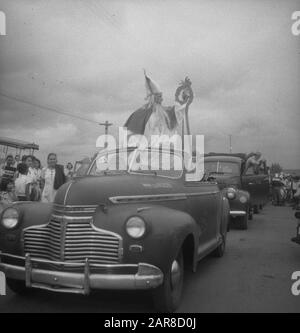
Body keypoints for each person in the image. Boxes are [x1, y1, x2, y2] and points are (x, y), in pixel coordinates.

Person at [124, 72, 194, 143]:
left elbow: (177, 112)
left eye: (161, 96)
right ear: (153, 97)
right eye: (159, 96)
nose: (162, 99)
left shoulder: (164, 112)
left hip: (163, 149)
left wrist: (184, 97)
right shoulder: (139, 114)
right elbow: (132, 135)